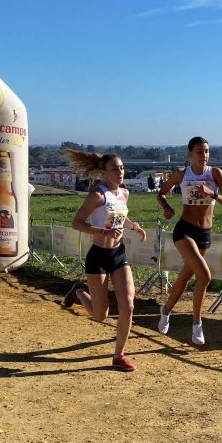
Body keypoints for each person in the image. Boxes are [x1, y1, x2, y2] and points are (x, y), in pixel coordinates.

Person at [61, 150, 147, 372]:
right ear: (103, 172)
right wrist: (102, 232)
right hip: (98, 256)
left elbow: (120, 215)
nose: (120, 172)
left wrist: (133, 226)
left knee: (128, 305)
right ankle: (79, 291)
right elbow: (76, 223)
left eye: (122, 168)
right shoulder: (98, 195)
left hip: (118, 254)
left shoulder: (124, 194)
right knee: (101, 315)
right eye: (115, 169)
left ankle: (119, 355)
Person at [156, 136, 222, 345]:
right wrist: (167, 208)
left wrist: (212, 194)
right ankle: (197, 325)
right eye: (199, 151)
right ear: (191, 153)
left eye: (207, 151)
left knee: (184, 278)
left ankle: (165, 310)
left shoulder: (215, 173)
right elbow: (161, 194)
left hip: (204, 234)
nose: (204, 155)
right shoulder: (182, 174)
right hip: (185, 231)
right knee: (205, 276)